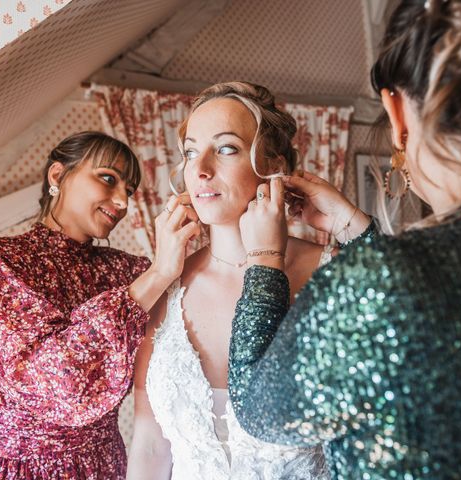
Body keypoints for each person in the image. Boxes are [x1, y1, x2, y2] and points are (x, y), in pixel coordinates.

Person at [227, 1, 461, 479]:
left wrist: (264, 263)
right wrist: (357, 231)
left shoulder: (378, 283)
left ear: (397, 111)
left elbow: (259, 409)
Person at [0, 131, 200, 479]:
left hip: (108, 466)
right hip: (22, 468)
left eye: (129, 190)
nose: (122, 202)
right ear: (57, 175)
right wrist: (159, 273)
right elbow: (60, 379)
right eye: (108, 178)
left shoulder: (129, 270)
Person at [127, 82, 330, 479]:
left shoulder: (330, 273)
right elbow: (150, 444)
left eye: (225, 148)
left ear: (271, 165)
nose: (199, 169)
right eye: (189, 151)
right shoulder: (165, 287)